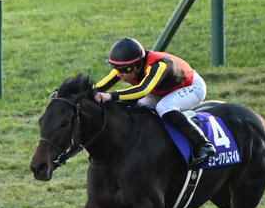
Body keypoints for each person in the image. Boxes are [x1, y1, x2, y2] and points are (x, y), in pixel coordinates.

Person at [93, 38, 216, 169]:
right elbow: (99, 86)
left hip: (191, 87)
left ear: (137, 65)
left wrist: (111, 96)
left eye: (124, 69)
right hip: (162, 91)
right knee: (139, 107)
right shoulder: (124, 67)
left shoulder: (158, 65)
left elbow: (143, 90)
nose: (119, 74)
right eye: (115, 68)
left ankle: (203, 144)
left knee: (164, 107)